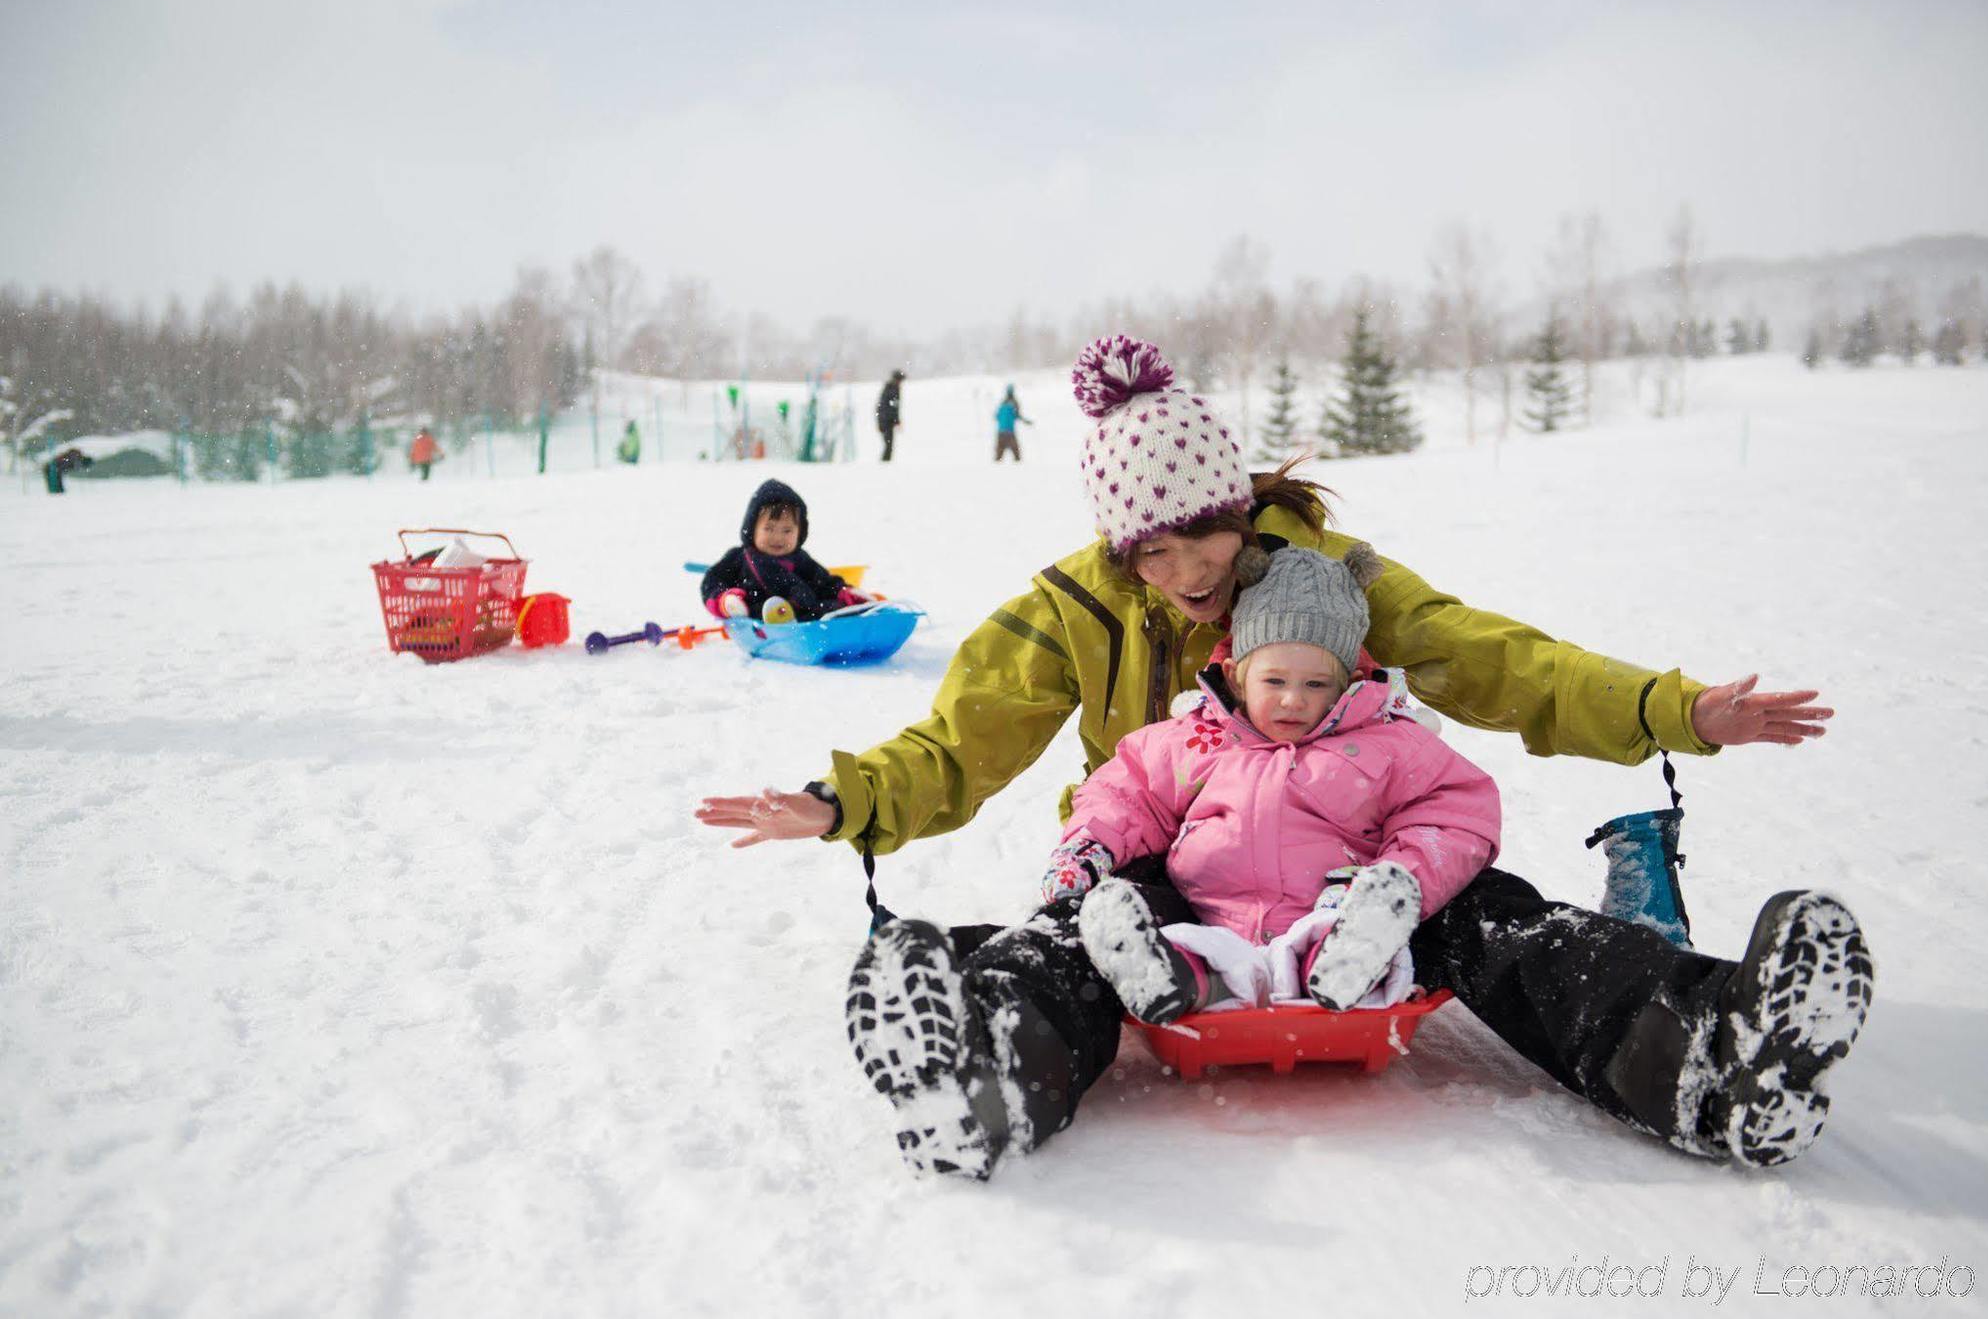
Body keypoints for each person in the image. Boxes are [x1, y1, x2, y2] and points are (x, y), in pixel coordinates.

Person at [696, 335, 1868, 1182]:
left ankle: (1712, 1058)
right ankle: (982, 1075)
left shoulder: (1323, 583)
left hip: (1355, 865)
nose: (1181, 573)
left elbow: (1492, 659)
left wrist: (1673, 710)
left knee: (1505, 923)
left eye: (1202, 537)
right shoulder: (1071, 609)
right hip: (1170, 861)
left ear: (1238, 504)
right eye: (1146, 557)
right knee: (1073, 936)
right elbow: (960, 737)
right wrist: (841, 798)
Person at [1052, 543, 1500, 1026]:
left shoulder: (1387, 742)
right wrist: (1090, 845)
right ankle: (1163, 975)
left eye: (1315, 685)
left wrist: (1394, 879)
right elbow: (1128, 792)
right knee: (1177, 937)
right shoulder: (1197, 740)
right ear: (1237, 677)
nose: (1293, 700)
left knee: (1347, 936)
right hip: (1208, 920)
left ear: (1347, 682)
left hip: (1329, 917)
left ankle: (1341, 966)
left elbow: (1451, 812)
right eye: (1274, 681)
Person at [700, 478, 866, 623]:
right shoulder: (740, 557)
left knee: (829, 607)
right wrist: (725, 600)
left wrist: (843, 591)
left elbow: (823, 581)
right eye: (769, 529)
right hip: (757, 614)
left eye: (787, 531)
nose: (778, 538)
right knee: (757, 608)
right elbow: (712, 581)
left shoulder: (800, 559)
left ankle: (856, 613)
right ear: (752, 529)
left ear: (799, 533)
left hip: (805, 615)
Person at [994, 384, 1031, 462]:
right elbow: (1017, 415)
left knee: (998, 456)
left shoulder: (1002, 403)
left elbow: (997, 416)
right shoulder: (1014, 403)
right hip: (1010, 432)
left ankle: (996, 468)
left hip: (1001, 431)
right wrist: (1026, 422)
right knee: (1016, 454)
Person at [876, 370, 904, 462]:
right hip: (887, 421)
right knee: (889, 445)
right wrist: (896, 420)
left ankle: (885, 463)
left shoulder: (889, 388)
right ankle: (885, 465)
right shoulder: (893, 389)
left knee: (888, 445)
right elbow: (893, 407)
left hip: (885, 420)